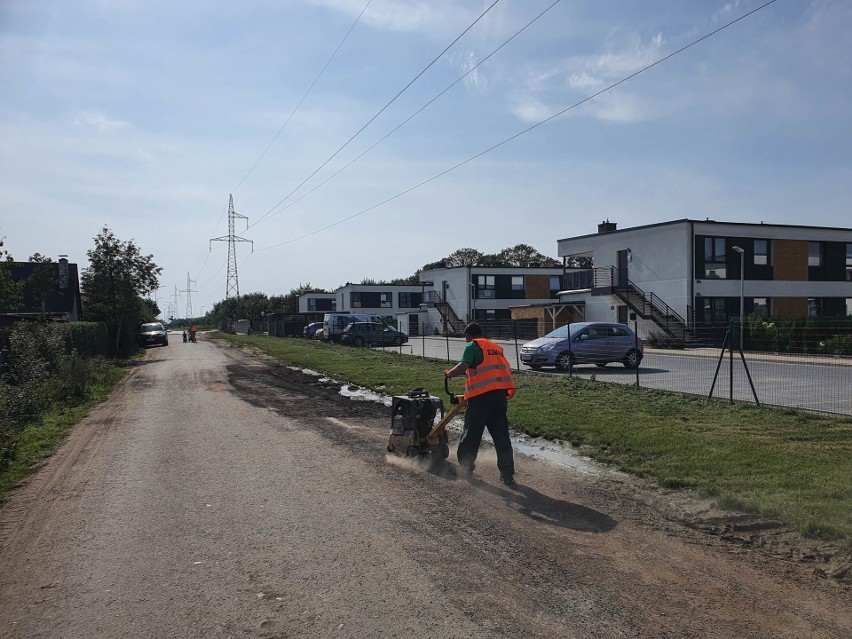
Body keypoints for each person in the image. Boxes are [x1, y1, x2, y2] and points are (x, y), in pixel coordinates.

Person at [444, 322, 517, 486]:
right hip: (499, 396)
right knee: (501, 437)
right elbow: (492, 368)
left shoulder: (472, 345)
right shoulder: (495, 347)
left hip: (481, 398)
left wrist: (449, 373)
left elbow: (463, 366)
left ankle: (465, 469)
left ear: (468, 336)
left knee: (471, 435)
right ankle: (507, 474)